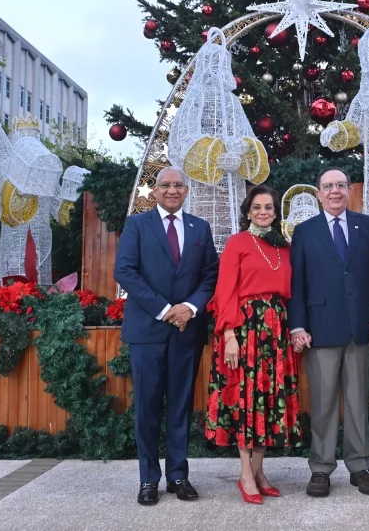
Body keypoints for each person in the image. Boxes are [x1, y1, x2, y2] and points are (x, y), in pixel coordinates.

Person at [114, 167, 219, 506]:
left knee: (180, 406)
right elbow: (125, 271)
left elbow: (210, 274)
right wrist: (165, 309)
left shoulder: (200, 228)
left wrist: (189, 307)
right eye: (165, 185)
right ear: (155, 191)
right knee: (146, 407)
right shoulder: (137, 225)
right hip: (148, 330)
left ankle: (178, 475)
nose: (172, 190)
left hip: (186, 332)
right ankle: (148, 479)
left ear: (186, 191)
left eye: (178, 185)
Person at [288, 167, 369, 498]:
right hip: (320, 330)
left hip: (361, 328)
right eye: (328, 186)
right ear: (318, 193)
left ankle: (360, 466)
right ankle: (321, 468)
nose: (334, 191)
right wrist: (298, 325)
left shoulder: (368, 226)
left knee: (358, 401)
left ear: (349, 191)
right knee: (324, 402)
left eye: (340, 185)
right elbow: (297, 283)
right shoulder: (304, 232)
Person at [206, 185, 302, 505]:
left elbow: (291, 292)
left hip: (275, 333)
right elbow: (225, 292)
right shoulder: (237, 244)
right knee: (247, 402)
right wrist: (230, 335)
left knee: (269, 400)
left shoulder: (284, 248)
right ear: (248, 210)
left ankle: (259, 471)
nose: (263, 212)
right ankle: (246, 473)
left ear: (276, 213)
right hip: (244, 330)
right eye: (257, 207)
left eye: (269, 207)